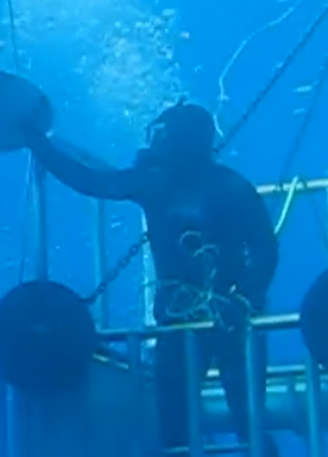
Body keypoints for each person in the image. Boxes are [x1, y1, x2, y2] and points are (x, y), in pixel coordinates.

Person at [24, 99, 280, 457]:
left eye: (161, 134)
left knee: (243, 421)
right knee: (179, 424)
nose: (153, 143)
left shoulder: (216, 187)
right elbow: (92, 180)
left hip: (227, 320)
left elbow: (264, 249)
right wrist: (41, 148)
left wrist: (245, 299)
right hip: (187, 322)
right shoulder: (177, 183)